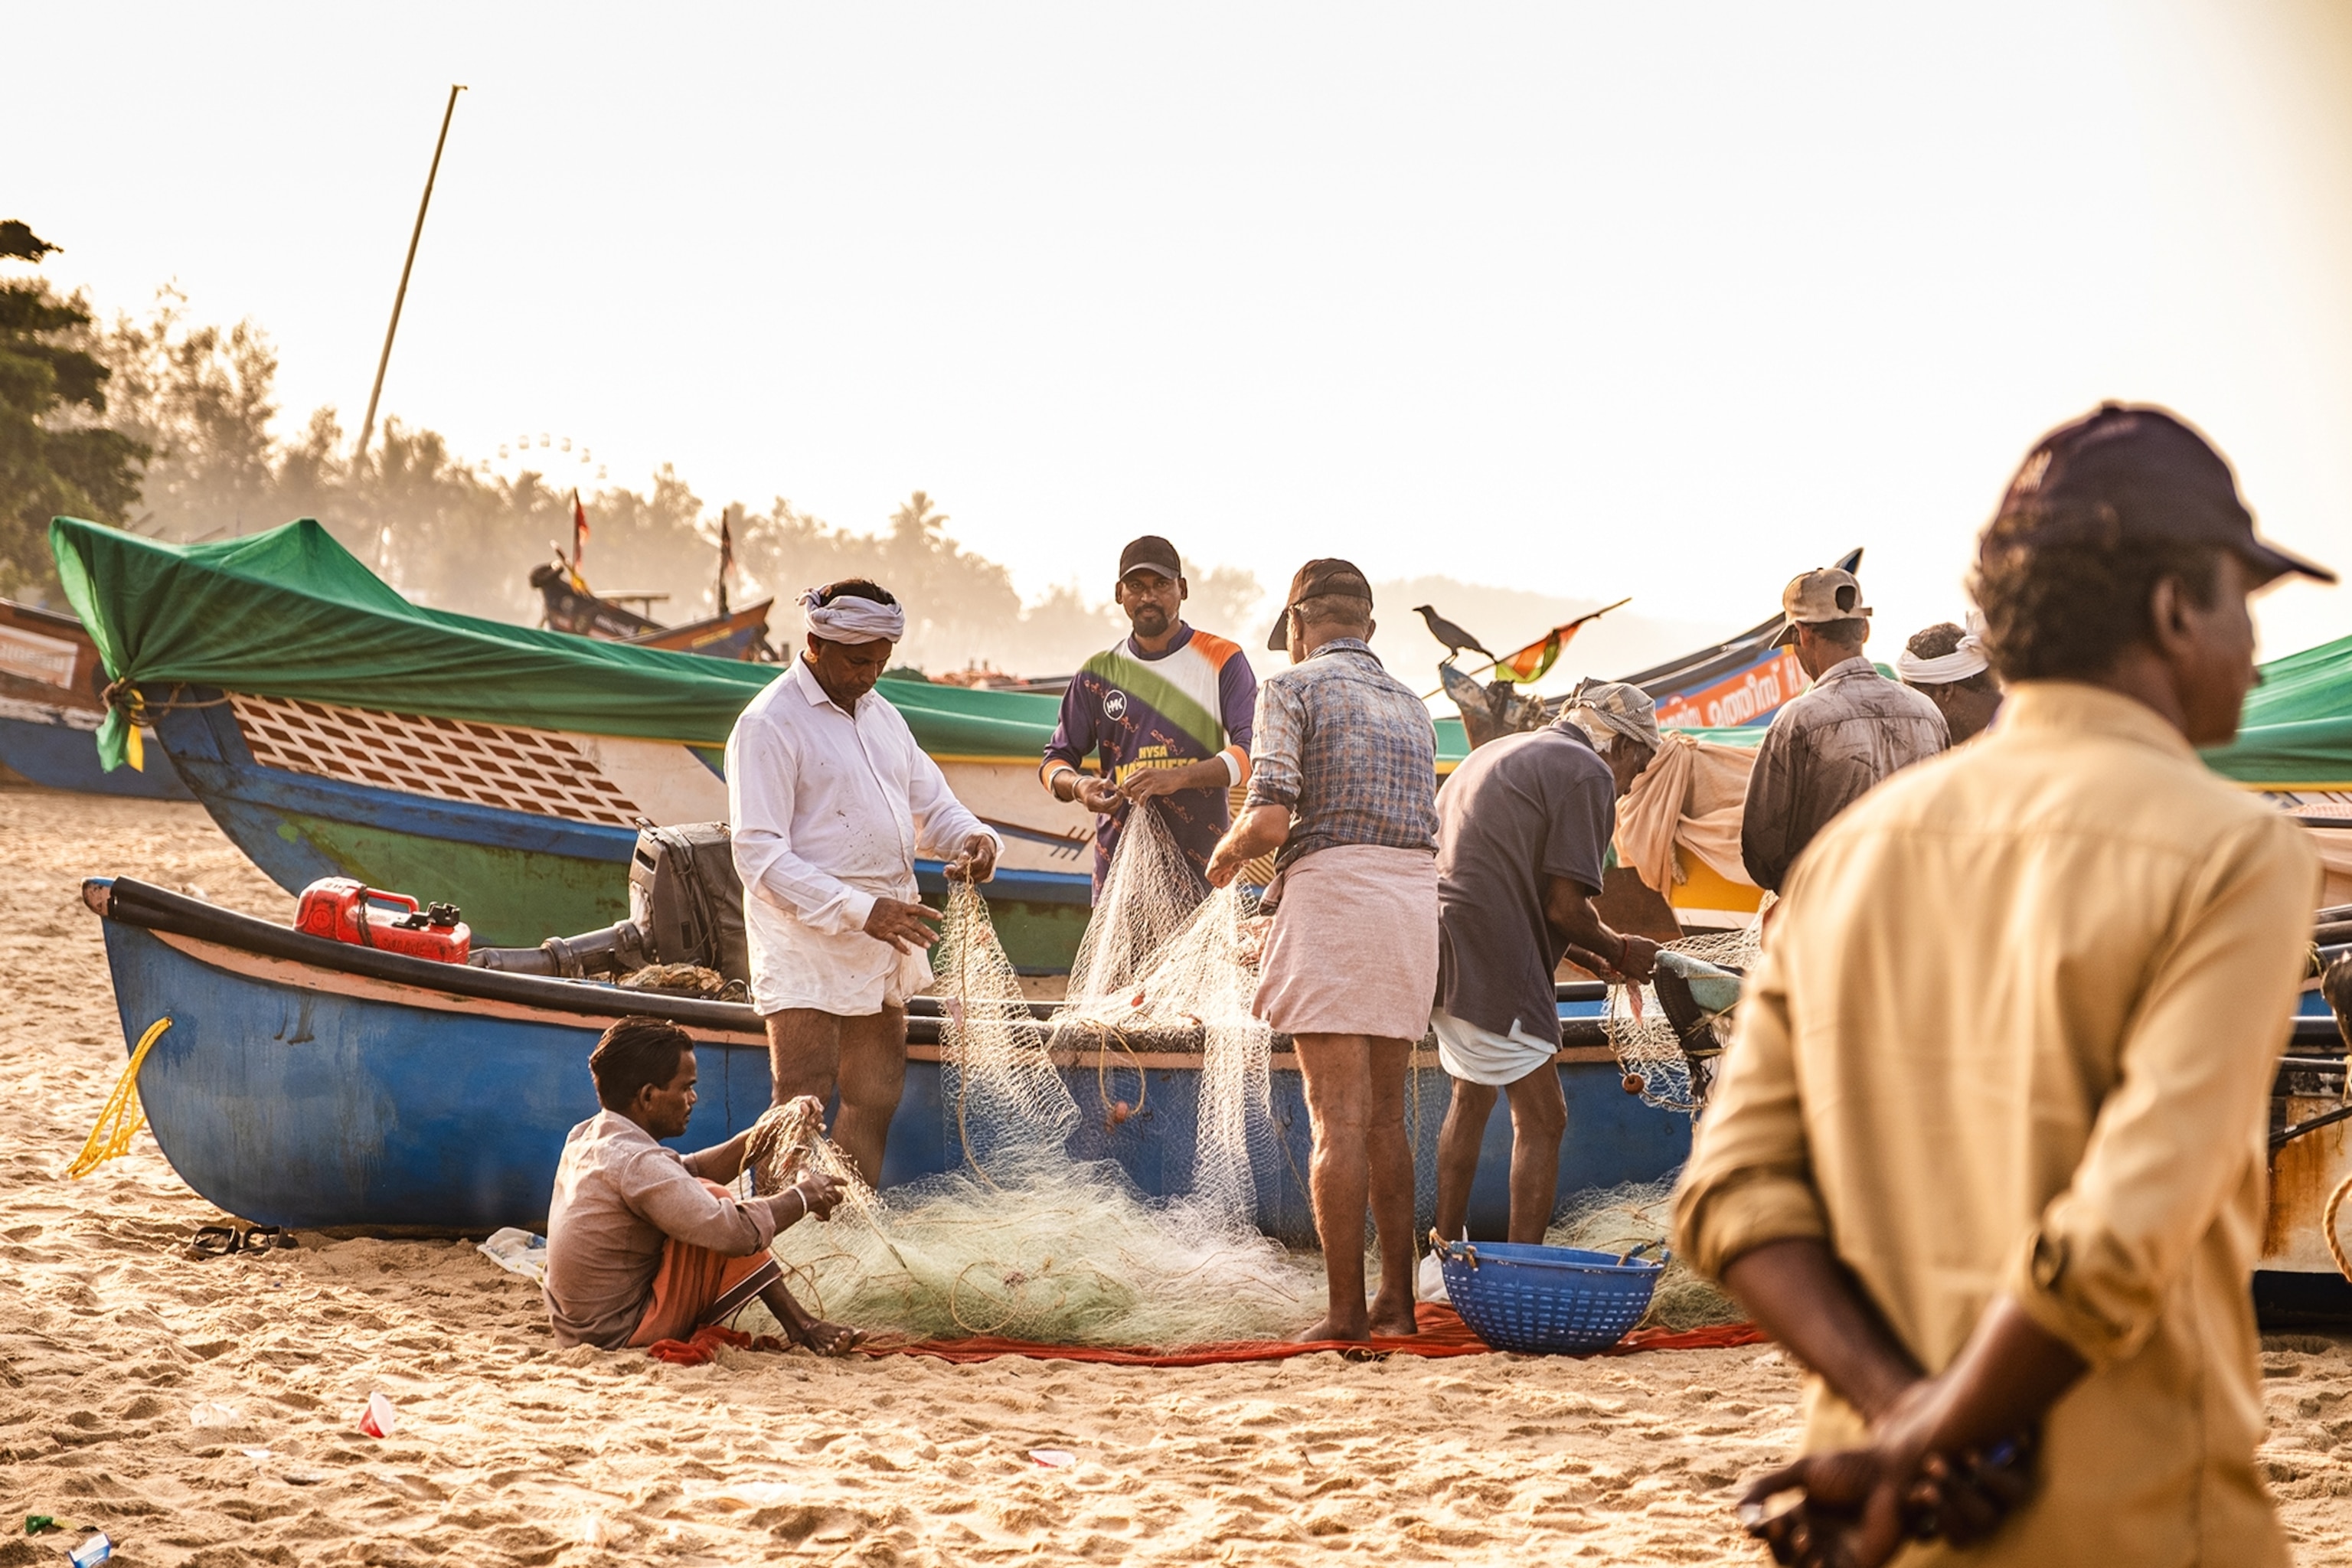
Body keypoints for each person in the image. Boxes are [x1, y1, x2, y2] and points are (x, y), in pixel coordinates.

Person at [1674, 403, 2331, 1566]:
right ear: (2176, 608)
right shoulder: (2233, 852)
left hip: (1885, 1516)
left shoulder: (1850, 861)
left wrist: (1899, 1417)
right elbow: (2120, 1235)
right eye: (2243, 604)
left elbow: (1728, 1195)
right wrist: (1943, 1429)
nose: (2253, 648)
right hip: (2131, 1520)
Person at [1206, 559, 1439, 1342]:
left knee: (1334, 1119)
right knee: (1382, 1123)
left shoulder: (1292, 686)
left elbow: (1271, 818)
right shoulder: (1412, 704)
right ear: (1368, 628)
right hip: (1410, 904)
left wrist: (1228, 852)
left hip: (1337, 900)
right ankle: (1398, 1307)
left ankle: (1343, 1316)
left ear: (1298, 629)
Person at [727, 580, 1000, 1187]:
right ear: (815, 643)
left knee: (875, 1094)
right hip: (805, 936)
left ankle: (848, 1233)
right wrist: (859, 910)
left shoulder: (884, 717)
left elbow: (935, 808)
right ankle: (774, 1242)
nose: (870, 675)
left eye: (881, 661)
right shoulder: (769, 723)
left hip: (884, 932)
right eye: (858, 661)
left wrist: (975, 842)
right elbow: (758, 855)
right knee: (801, 1097)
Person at [1429, 680, 1661, 1249]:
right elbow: (1565, 906)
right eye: (1642, 762)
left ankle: (1440, 1259)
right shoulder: (1589, 772)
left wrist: (1590, 951)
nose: (1633, 782)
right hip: (1496, 957)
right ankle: (1521, 1267)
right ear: (1623, 745)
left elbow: (1516, 884)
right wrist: (1623, 950)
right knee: (1545, 1118)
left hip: (1441, 948)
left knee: (1471, 1096)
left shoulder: (1499, 750)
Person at [544, 1016, 863, 1354]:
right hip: (620, 1333)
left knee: (704, 1195)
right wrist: (804, 1196)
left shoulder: (587, 1135)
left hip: (577, 1330)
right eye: (685, 1087)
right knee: (718, 1202)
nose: (693, 1098)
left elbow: (685, 1170)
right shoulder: (638, 1163)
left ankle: (801, 1324)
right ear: (648, 1096)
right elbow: (733, 1232)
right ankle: (802, 1326)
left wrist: (770, 1130)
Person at [1040, 535, 1259, 897]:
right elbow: (1054, 762)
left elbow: (1250, 754)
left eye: (1161, 584)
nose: (1148, 597)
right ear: (1118, 593)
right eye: (1136, 586)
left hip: (1201, 866)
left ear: (1182, 589)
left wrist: (1177, 778)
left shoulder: (1223, 659)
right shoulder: (1097, 673)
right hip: (1119, 872)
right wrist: (1080, 787)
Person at [1738, 567, 1947, 893]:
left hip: (1832, 918)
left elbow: (1762, 850)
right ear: (1864, 629)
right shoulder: (1928, 712)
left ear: (1802, 635)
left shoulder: (1798, 720)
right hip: (1919, 914)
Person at [1897, 618, 2004, 743]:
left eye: (1918, 702)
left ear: (1945, 690)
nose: (1918, 719)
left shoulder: (2011, 739)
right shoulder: (1984, 742)